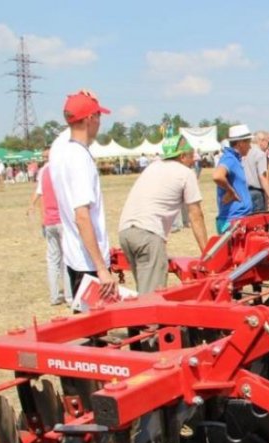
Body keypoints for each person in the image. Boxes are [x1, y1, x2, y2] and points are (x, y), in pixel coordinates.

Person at [49, 89, 117, 300]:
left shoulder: (60, 152)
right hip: (89, 264)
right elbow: (82, 216)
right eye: (98, 116)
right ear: (90, 119)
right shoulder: (79, 159)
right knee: (99, 319)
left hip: (75, 258)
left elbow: (71, 120)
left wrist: (81, 102)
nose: (100, 122)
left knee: (87, 317)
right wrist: (101, 269)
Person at [118, 135, 208, 295]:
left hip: (125, 232)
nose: (193, 160)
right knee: (152, 298)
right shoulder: (186, 173)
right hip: (148, 235)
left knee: (144, 289)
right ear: (182, 156)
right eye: (191, 155)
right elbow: (196, 216)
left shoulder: (153, 167)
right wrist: (207, 255)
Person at [27, 148, 72, 305]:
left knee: (53, 259)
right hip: (63, 220)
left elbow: (39, 194)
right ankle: (69, 295)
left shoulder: (44, 171)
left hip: (49, 221)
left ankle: (54, 296)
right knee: (67, 257)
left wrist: (32, 206)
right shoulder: (63, 169)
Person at [212, 124, 253, 234]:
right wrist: (231, 191)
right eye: (248, 142)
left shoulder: (234, 159)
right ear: (240, 143)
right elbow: (217, 176)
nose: (250, 146)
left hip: (237, 220)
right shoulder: (229, 158)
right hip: (233, 222)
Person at [242, 130, 269, 213]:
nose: (268, 145)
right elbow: (262, 177)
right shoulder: (260, 154)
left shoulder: (245, 152)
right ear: (262, 141)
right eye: (268, 142)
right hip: (256, 193)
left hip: (243, 191)